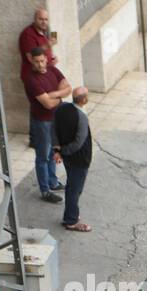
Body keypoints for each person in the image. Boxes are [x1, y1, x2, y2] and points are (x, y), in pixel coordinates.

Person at [21, 49, 70, 204]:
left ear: (46, 59)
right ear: (31, 61)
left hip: (55, 120)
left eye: (42, 60)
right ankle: (45, 190)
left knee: (52, 151)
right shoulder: (31, 79)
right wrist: (59, 96)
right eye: (37, 61)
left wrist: (53, 94)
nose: (40, 64)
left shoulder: (52, 70)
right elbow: (47, 104)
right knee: (42, 156)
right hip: (42, 122)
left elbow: (68, 89)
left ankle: (53, 182)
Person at [51, 86, 93, 233]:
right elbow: (79, 143)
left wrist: (57, 150)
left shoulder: (61, 108)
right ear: (84, 99)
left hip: (68, 159)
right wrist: (63, 152)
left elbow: (53, 128)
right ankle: (71, 220)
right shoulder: (81, 117)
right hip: (79, 160)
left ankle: (71, 213)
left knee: (73, 188)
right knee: (74, 189)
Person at [18, 8, 56, 79]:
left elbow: (45, 52)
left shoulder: (44, 31)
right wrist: (47, 45)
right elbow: (31, 57)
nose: (44, 22)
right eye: (41, 19)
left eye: (46, 19)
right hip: (35, 76)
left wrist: (52, 58)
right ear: (35, 19)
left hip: (47, 73)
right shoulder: (28, 34)